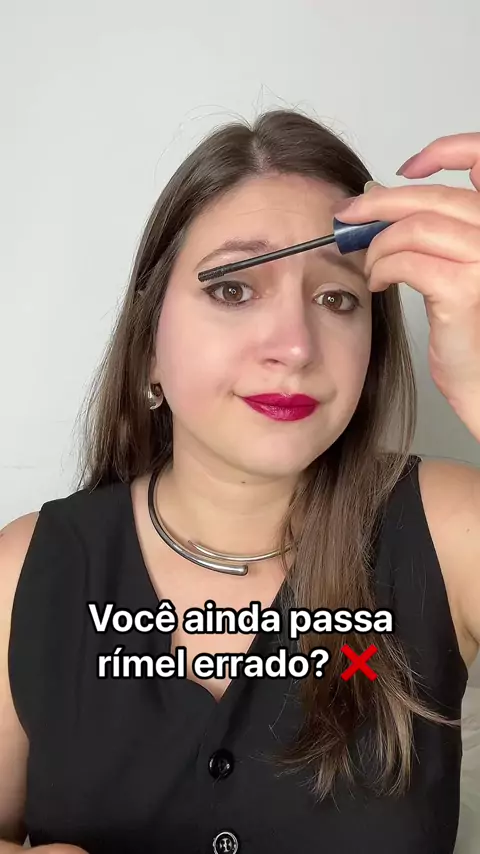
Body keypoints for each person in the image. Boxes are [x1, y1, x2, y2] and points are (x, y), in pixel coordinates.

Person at [0, 109, 479, 854]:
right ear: (148, 342)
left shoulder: (448, 530)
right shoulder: (29, 567)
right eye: (233, 290)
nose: (295, 346)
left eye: (337, 299)